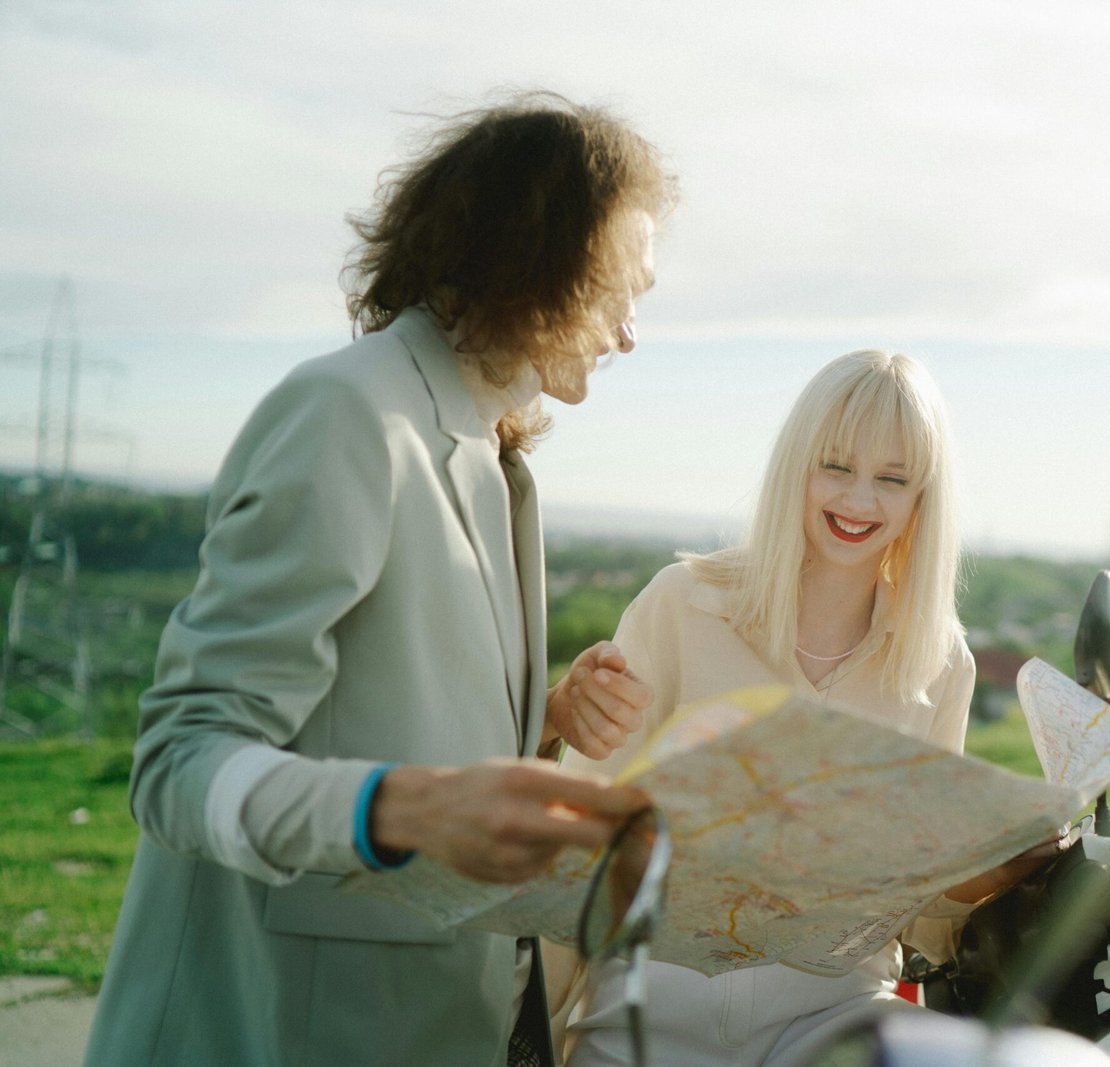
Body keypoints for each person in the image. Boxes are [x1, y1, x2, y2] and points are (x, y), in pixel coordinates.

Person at [84, 92, 675, 1067]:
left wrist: (550, 714)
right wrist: (396, 808)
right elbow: (178, 764)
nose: (628, 335)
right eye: (624, 291)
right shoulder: (347, 416)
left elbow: (388, 725)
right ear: (538, 256)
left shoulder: (495, 455)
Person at [550, 350, 1053, 1067]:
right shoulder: (680, 604)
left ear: (922, 499)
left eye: (893, 479)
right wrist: (524, 1024)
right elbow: (580, 832)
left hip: (833, 1019)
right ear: (797, 464)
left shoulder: (942, 663)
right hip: (651, 1011)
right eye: (837, 466)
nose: (859, 501)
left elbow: (921, 908)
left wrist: (995, 868)